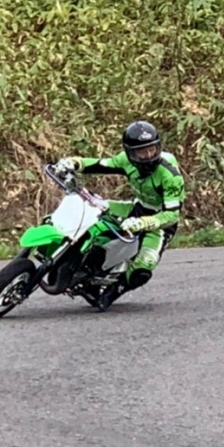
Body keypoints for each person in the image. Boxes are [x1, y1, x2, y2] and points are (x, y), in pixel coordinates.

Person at [55, 120, 184, 310]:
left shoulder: (170, 175)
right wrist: (74, 163)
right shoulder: (125, 160)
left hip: (160, 223)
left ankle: (113, 292)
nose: (149, 156)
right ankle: (74, 259)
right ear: (130, 153)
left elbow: (172, 215)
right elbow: (99, 164)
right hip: (136, 208)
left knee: (142, 270)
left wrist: (143, 223)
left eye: (152, 149)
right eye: (142, 152)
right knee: (91, 213)